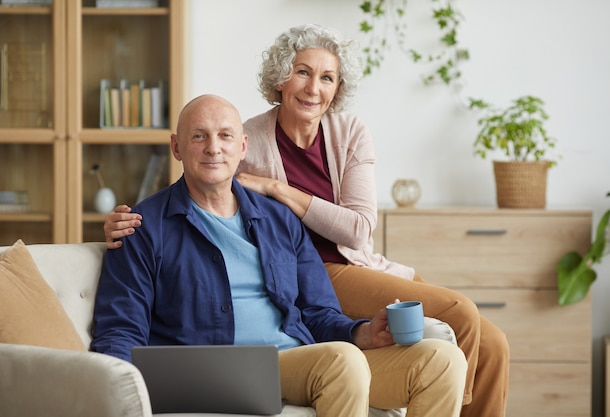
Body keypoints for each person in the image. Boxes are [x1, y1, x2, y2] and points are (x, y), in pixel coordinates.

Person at [104, 24, 509, 417]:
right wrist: (119, 394)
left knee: (444, 358)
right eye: (199, 136)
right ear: (177, 146)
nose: (214, 148)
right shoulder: (145, 226)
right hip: (222, 367)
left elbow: (319, 306)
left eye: (225, 137)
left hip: (312, 334)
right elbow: (120, 330)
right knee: (349, 357)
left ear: (239, 146)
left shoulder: (279, 219)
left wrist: (365, 332)